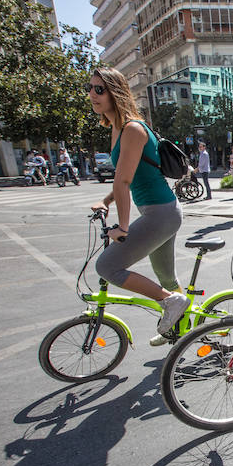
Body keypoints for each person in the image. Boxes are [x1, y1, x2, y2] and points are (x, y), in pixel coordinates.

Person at [86, 66, 187, 340]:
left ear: (114, 92)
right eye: (90, 88)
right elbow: (123, 177)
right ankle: (182, 329)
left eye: (99, 89)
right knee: (166, 277)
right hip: (161, 212)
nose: (92, 95)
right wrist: (106, 201)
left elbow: (123, 183)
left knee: (107, 267)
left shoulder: (132, 129)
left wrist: (123, 227)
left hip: (161, 214)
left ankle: (172, 303)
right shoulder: (118, 129)